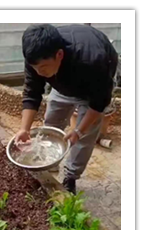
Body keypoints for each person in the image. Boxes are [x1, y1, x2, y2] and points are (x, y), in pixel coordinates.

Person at [15, 24, 118, 194]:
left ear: (59, 55)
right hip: (62, 82)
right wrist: (24, 129)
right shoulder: (36, 56)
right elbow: (32, 92)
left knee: (84, 136)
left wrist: (79, 130)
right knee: (51, 122)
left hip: (92, 87)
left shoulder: (93, 60)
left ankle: (71, 176)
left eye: (43, 68)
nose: (39, 73)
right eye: (35, 68)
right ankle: (50, 162)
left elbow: (99, 103)